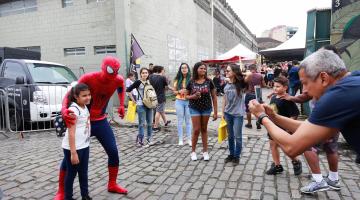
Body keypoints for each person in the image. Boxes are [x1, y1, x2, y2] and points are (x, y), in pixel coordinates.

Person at [248, 49, 360, 173]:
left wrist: (261, 116)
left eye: (305, 83)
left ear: (323, 77)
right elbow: (308, 127)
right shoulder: (353, 81)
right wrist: (273, 116)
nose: (305, 90)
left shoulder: (337, 96)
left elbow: (292, 147)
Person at [55, 56, 128, 200]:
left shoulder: (118, 80)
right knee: (69, 157)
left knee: (113, 152)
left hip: (100, 122)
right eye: (108, 73)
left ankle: (112, 184)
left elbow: (121, 86)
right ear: (103, 68)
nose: (110, 78)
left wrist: (121, 104)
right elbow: (70, 94)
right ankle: (61, 190)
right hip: (83, 122)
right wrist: (64, 110)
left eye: (113, 74)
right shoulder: (88, 78)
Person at [60, 83, 92, 200]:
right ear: (76, 96)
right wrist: (73, 153)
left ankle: (85, 195)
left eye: (89, 94)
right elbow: (71, 133)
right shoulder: (73, 110)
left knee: (83, 172)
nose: (88, 97)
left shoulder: (84, 106)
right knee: (72, 174)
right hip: (73, 148)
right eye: (84, 96)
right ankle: (68, 197)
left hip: (84, 145)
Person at [265, 77, 302, 176]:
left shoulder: (288, 100)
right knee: (273, 145)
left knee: (284, 147)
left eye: (278, 86)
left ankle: (296, 161)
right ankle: (277, 166)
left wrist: (288, 128)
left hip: (283, 128)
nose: (275, 88)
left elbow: (294, 114)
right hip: (273, 126)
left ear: (285, 87)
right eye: (274, 86)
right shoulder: (274, 97)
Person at [186, 62, 218, 161]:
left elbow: (214, 97)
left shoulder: (209, 81)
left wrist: (216, 112)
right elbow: (186, 96)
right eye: (201, 68)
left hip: (206, 108)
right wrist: (193, 96)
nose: (203, 70)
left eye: (204, 69)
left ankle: (205, 151)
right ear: (196, 69)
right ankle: (193, 152)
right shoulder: (191, 81)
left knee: (204, 129)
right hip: (194, 107)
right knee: (196, 130)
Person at [222, 64, 246, 165]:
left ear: (234, 72)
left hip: (238, 114)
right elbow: (224, 99)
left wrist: (239, 74)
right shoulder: (226, 85)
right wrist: (222, 112)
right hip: (228, 113)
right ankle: (231, 154)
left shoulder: (241, 84)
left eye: (228, 71)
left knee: (238, 136)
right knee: (230, 136)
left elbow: (249, 74)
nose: (226, 72)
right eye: (226, 71)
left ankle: (237, 156)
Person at [126, 68, 154, 147]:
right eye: (143, 73)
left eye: (146, 73)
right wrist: (133, 100)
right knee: (141, 124)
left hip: (149, 105)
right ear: (140, 74)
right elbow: (128, 90)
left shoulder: (149, 82)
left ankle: (149, 139)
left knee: (149, 124)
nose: (145, 74)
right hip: (141, 105)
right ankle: (140, 140)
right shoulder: (138, 82)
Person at [173, 63, 192, 146]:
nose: (184, 69)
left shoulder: (191, 79)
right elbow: (174, 92)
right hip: (179, 101)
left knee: (188, 121)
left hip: (188, 101)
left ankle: (189, 139)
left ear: (188, 69)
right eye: (182, 68)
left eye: (185, 68)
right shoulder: (177, 79)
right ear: (180, 70)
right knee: (180, 121)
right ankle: (180, 139)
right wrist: (178, 91)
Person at [149, 65, 172, 132]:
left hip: (153, 97)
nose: (164, 71)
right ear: (161, 70)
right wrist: (174, 89)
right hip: (161, 97)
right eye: (163, 70)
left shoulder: (150, 77)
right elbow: (167, 87)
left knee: (160, 110)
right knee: (158, 111)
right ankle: (155, 126)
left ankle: (165, 122)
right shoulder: (162, 77)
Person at [244, 64, 264, 129]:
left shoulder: (247, 76)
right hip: (257, 94)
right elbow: (263, 85)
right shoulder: (260, 75)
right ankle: (258, 122)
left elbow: (244, 84)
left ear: (250, 69)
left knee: (248, 110)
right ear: (256, 69)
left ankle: (249, 124)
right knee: (258, 109)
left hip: (249, 93)